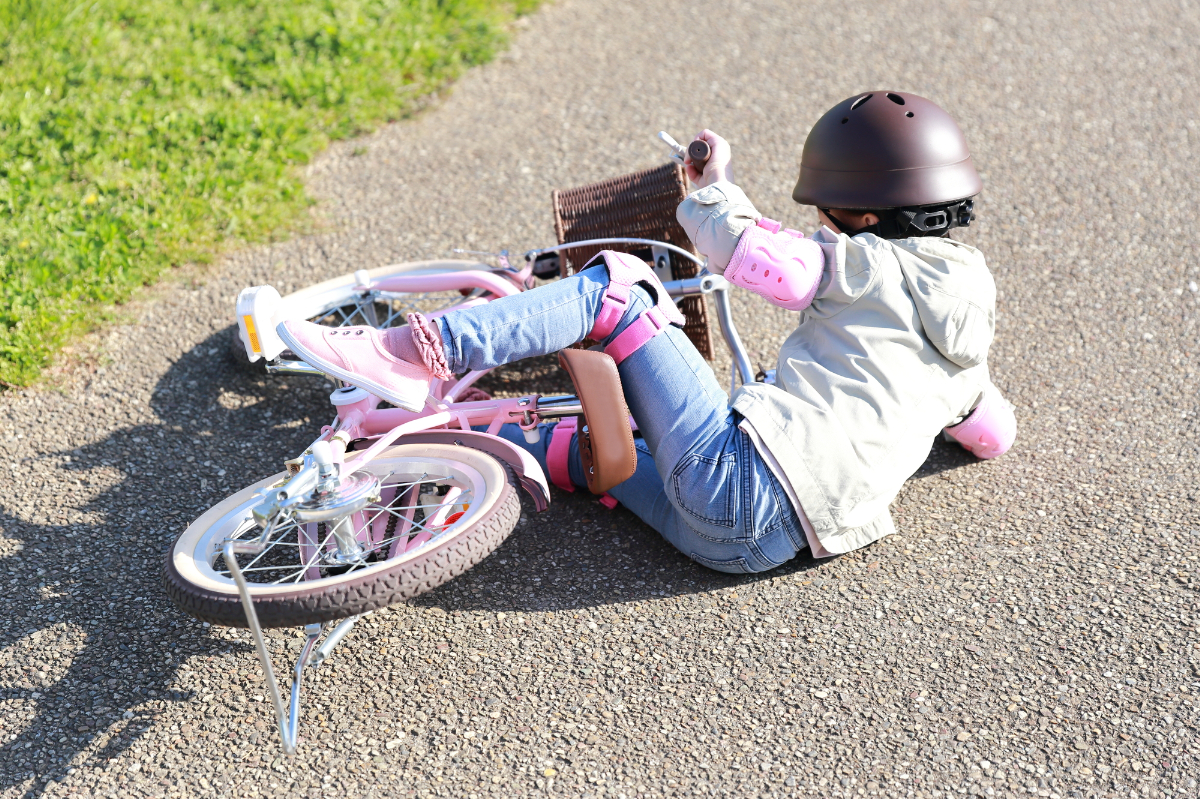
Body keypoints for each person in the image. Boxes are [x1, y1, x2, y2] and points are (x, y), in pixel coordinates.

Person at [277, 91, 1016, 572]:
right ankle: (387, 490)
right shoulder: (967, 345)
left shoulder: (868, 265)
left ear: (858, 210)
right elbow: (994, 433)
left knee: (624, 289)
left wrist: (713, 188)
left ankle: (413, 353)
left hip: (738, 478)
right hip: (759, 545)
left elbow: (767, 264)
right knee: (598, 445)